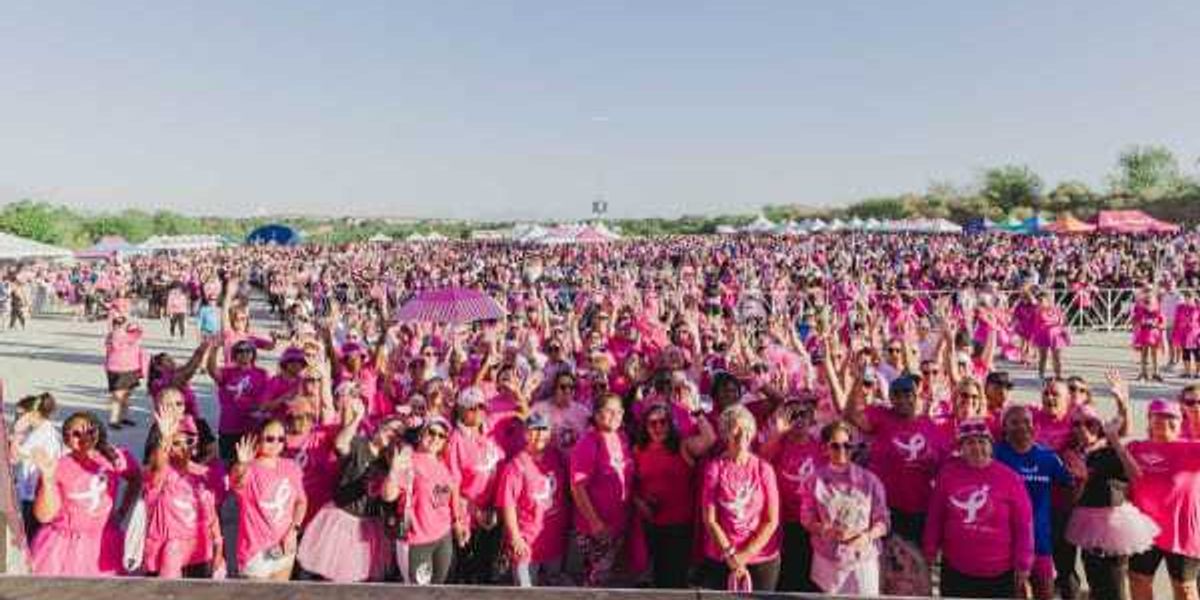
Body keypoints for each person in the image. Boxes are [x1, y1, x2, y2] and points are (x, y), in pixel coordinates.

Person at [923, 418, 1033, 598]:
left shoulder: (1010, 478)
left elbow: (1024, 525)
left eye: (982, 441)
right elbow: (936, 516)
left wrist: (1023, 564)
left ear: (991, 446)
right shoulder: (948, 474)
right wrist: (930, 549)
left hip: (999, 574)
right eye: (969, 442)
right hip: (956, 570)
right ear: (961, 448)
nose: (976, 447)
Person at [296, 398, 400, 582]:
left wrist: (395, 467)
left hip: (368, 525)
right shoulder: (360, 443)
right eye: (390, 428)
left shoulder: (390, 462)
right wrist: (357, 418)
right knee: (332, 578)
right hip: (340, 520)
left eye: (397, 433)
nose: (392, 434)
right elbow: (340, 444)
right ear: (380, 426)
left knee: (359, 582)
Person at [1064, 405, 1159, 600]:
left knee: (1114, 588)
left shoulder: (1109, 450)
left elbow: (1136, 476)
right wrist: (1080, 481)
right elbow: (1074, 498)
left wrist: (1115, 439)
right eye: (1077, 424)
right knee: (1096, 583)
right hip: (1087, 526)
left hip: (1113, 527)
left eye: (1089, 423)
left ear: (1098, 426)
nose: (1083, 428)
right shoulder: (1075, 454)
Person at [29, 412, 141, 576]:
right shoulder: (57, 467)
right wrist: (47, 479)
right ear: (66, 440)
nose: (84, 437)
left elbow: (136, 478)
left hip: (105, 544)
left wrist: (123, 511)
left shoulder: (115, 458)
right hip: (63, 548)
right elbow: (43, 516)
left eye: (90, 431)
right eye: (76, 434)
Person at [994, 404, 1078, 600]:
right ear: (1004, 427)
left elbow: (1069, 491)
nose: (1022, 426)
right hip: (1007, 544)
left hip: (1041, 541)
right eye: (1014, 422)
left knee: (1045, 594)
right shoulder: (995, 455)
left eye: (1027, 422)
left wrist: (1080, 480)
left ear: (1034, 426)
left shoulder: (1048, 457)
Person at [800, 419, 888, 595]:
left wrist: (868, 536)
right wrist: (824, 529)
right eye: (836, 446)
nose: (842, 451)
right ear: (825, 448)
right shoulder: (814, 481)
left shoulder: (870, 480)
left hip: (863, 559)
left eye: (847, 446)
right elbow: (806, 517)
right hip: (828, 562)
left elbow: (883, 521)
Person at [700, 404, 781, 591]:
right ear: (725, 433)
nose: (741, 433)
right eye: (735, 428)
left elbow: (771, 520)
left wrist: (744, 556)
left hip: (762, 558)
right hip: (722, 556)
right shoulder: (715, 468)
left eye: (747, 429)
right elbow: (710, 520)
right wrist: (730, 555)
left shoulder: (764, 469)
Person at [1128, 399, 1200, 600]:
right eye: (1157, 415)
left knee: (1184, 587)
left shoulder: (1193, 449)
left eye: (1171, 417)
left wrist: (1196, 418)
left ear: (1180, 422)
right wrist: (1123, 405)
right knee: (1138, 579)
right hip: (1144, 529)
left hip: (1181, 531)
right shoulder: (1136, 448)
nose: (1163, 420)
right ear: (1149, 420)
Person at [383, 416, 468, 586]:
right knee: (419, 593)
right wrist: (393, 472)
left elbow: (451, 496)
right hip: (416, 540)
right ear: (422, 433)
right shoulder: (408, 461)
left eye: (441, 435)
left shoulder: (443, 464)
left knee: (437, 590)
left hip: (442, 538)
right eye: (432, 432)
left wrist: (458, 522)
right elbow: (388, 496)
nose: (436, 438)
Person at [142, 407, 224, 578]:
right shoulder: (161, 474)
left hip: (200, 548)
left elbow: (212, 514)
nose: (183, 447)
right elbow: (158, 466)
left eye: (189, 441)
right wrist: (164, 438)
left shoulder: (204, 472)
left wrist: (218, 546)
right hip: (168, 550)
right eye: (176, 443)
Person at [496, 412, 570, 587]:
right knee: (526, 591)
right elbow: (508, 504)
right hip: (526, 544)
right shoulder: (516, 465)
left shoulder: (556, 457)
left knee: (553, 585)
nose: (539, 435)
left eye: (543, 429)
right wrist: (515, 537)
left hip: (553, 541)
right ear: (525, 434)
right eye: (534, 430)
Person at [569, 392, 635, 587]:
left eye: (619, 412)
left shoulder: (621, 438)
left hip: (617, 525)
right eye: (609, 411)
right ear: (597, 415)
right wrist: (595, 522)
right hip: (595, 528)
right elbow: (577, 487)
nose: (615, 416)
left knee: (607, 580)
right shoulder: (588, 442)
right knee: (596, 582)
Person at [231, 419, 308, 581]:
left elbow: (301, 502)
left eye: (281, 439)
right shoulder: (249, 469)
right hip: (256, 553)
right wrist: (241, 464)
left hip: (284, 548)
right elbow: (237, 481)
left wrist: (293, 532)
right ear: (257, 439)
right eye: (270, 439)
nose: (276, 443)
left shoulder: (291, 467)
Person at [632, 402, 699, 588]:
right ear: (645, 427)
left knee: (676, 578)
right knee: (658, 578)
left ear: (671, 424)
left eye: (663, 422)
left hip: (679, 526)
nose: (658, 427)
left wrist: (697, 412)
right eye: (652, 423)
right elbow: (631, 485)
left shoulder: (682, 446)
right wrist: (640, 503)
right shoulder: (638, 450)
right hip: (651, 524)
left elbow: (710, 439)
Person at [760, 398, 822, 592]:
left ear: (811, 418)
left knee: (809, 576)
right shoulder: (778, 443)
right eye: (793, 415)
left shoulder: (820, 445)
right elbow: (762, 457)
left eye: (803, 414)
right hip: (785, 520)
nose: (799, 419)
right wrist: (779, 432)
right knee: (788, 576)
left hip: (813, 522)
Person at [446, 387, 506, 584]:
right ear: (461, 410)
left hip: (493, 513)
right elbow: (454, 486)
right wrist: (471, 514)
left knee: (487, 569)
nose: (479, 411)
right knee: (468, 573)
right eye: (473, 408)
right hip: (469, 516)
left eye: (482, 406)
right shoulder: (455, 440)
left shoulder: (490, 432)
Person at [10, 393, 62, 543]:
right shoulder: (46, 429)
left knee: (30, 531)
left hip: (32, 491)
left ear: (33, 414)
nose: (17, 418)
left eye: (20, 414)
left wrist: (17, 432)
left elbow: (14, 458)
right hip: (39, 487)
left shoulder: (39, 435)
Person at [207, 339, 271, 464]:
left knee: (249, 466)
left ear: (253, 354)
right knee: (227, 465)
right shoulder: (227, 372)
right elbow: (212, 371)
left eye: (248, 350)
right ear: (234, 355)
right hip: (229, 427)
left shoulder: (262, 373)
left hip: (252, 428)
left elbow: (267, 398)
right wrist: (213, 350)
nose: (244, 353)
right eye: (240, 351)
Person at [104, 316, 145, 430]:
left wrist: (131, 327)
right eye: (117, 323)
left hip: (128, 368)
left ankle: (122, 417)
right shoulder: (117, 336)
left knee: (125, 395)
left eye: (121, 323)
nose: (119, 325)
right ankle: (114, 419)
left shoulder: (126, 335)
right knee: (119, 395)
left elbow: (139, 331)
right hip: (119, 368)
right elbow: (137, 332)